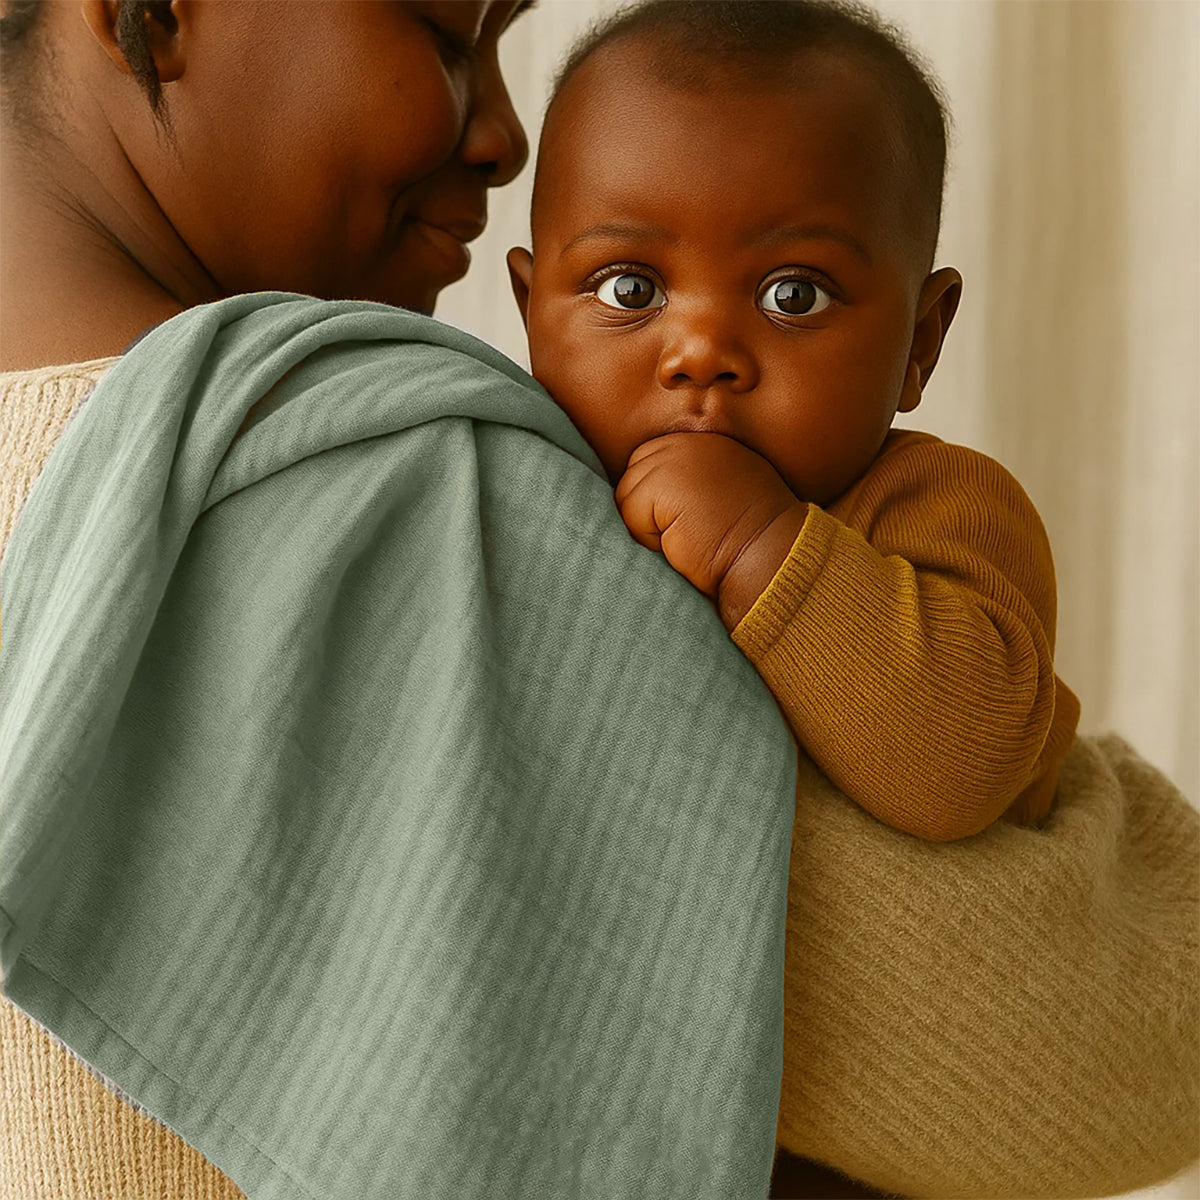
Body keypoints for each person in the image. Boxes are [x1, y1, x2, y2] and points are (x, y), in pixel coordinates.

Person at [1, 3, 1195, 1199]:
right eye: (442, 29)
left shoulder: (927, 504)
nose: (506, 137)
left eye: (793, 295)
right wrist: (1123, 830)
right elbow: (1111, 1037)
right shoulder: (399, 483)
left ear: (923, 337)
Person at [506, 0, 1080, 847]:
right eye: (630, 290)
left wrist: (755, 545)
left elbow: (965, 773)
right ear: (529, 313)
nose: (700, 352)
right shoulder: (522, 479)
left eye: (794, 295)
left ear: (919, 344)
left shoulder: (943, 510)